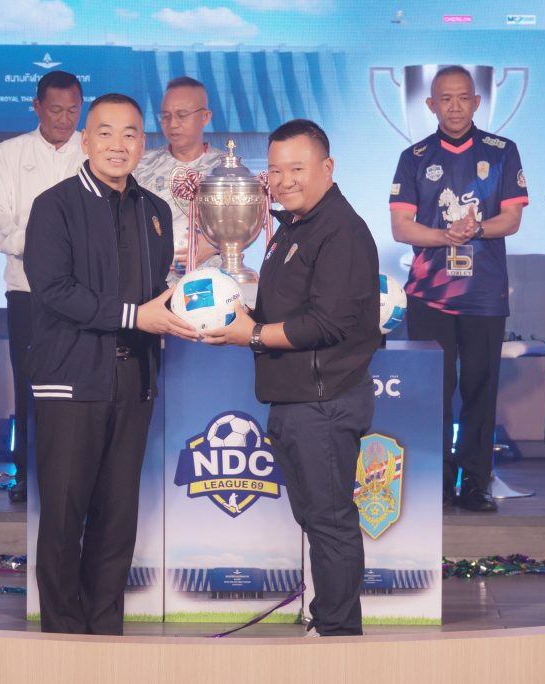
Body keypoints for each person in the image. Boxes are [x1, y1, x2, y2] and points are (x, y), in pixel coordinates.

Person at [24, 93, 196, 634]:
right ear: (85, 140)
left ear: (143, 143)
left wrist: (203, 302)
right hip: (71, 379)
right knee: (63, 515)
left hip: (133, 379)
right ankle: (61, 636)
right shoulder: (54, 205)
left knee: (117, 517)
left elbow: (156, 293)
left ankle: (104, 631)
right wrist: (134, 316)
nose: (118, 145)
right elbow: (54, 290)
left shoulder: (156, 211)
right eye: (105, 132)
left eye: (129, 134)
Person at [202, 119, 380, 637]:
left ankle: (339, 634)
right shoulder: (294, 226)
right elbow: (288, 306)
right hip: (296, 398)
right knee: (317, 519)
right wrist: (234, 315)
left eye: (296, 169)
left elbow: (326, 324)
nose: (283, 181)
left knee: (330, 521)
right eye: (275, 171)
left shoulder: (341, 231)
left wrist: (253, 334)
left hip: (324, 401)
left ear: (328, 168)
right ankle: (329, 622)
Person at [389, 65, 528, 513]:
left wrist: (476, 229)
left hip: (484, 294)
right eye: (445, 99)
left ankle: (476, 484)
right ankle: (437, 483)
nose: (454, 107)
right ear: (431, 104)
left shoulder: (502, 151)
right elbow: (401, 227)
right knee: (432, 393)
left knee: (479, 392)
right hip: (430, 295)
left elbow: (512, 218)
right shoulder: (414, 156)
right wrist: (445, 235)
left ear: (476, 102)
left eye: (463, 98)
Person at [0, 70, 86, 502]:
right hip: (26, 289)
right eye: (56, 110)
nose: (64, 119)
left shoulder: (92, 150)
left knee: (79, 383)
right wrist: (44, 247)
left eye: (73, 110)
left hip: (85, 292)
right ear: (37, 106)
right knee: (30, 383)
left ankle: (76, 474)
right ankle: (27, 472)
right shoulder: (9, 153)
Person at [135, 76, 223, 283]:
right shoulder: (141, 165)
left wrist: (214, 243)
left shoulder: (226, 169)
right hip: (152, 283)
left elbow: (243, 228)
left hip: (211, 283)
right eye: (165, 116)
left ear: (205, 117)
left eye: (182, 115)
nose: (173, 124)